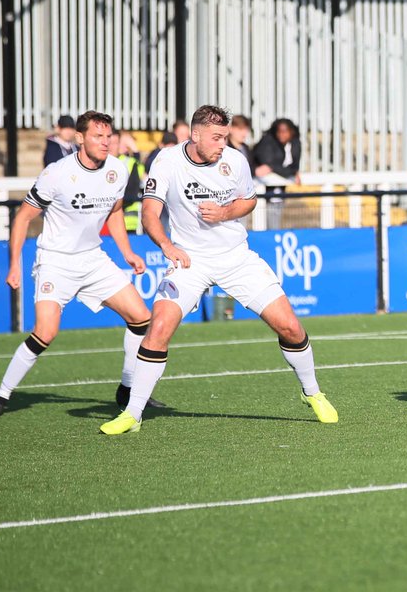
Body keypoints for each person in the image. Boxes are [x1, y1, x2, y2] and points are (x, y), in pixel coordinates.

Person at [100, 105, 337, 435]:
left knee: (290, 327)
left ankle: (312, 393)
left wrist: (225, 213)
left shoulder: (235, 160)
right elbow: (149, 213)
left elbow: (249, 200)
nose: (222, 144)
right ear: (195, 135)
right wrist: (167, 245)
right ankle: (133, 413)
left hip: (236, 258)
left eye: (225, 137)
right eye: (216, 137)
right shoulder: (167, 161)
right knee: (159, 328)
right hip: (189, 261)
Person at [0, 111, 161, 418]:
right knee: (45, 333)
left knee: (141, 318)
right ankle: (2, 395)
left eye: (108, 136)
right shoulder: (57, 173)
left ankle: (127, 388)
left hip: (93, 259)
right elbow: (23, 218)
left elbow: (115, 212)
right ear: (79, 138)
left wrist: (127, 252)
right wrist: (14, 265)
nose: (105, 142)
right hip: (56, 261)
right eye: (97, 136)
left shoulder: (117, 169)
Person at [253, 118, 303, 229]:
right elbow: (266, 163)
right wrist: (287, 171)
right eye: (279, 131)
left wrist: (291, 172)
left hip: (279, 186)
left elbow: (294, 166)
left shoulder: (295, 143)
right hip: (262, 185)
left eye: (285, 131)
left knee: (275, 213)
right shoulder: (268, 141)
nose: (281, 134)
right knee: (266, 214)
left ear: (291, 131)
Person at [109, 129, 145, 234]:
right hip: (103, 224)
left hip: (127, 222)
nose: (111, 147)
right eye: (109, 143)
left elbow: (131, 193)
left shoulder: (129, 163)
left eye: (115, 143)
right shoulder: (97, 163)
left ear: (119, 145)